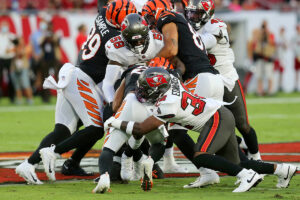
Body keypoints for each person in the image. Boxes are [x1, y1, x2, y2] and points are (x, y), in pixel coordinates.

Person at [105, 67, 298, 193]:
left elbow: (140, 128)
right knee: (239, 162)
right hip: (218, 114)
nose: (143, 92)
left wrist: (115, 122)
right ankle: (282, 169)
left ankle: (246, 176)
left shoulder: (167, 104)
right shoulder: (171, 82)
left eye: (147, 89)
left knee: (200, 155)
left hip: (216, 118)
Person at [15, 0, 137, 184]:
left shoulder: (103, 14)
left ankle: (29, 164)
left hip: (74, 73)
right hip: (83, 80)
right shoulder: (114, 39)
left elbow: (105, 5)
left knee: (63, 130)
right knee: (96, 128)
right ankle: (53, 153)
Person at [141, 0, 224, 188]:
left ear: (158, 11)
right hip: (212, 77)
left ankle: (208, 172)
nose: (150, 22)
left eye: (149, 16)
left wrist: (149, 64)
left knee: (177, 131)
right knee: (216, 128)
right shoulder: (181, 21)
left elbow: (171, 49)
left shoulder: (166, 17)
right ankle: (248, 169)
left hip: (199, 79)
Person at [184, 0, 263, 187]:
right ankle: (240, 157)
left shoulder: (216, 25)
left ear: (208, 13)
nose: (193, 17)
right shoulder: (190, 27)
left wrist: (183, 37)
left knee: (242, 124)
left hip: (227, 80)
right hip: (208, 82)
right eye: (191, 13)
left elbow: (203, 44)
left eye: (197, 13)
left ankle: (257, 158)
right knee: (213, 125)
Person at [10, 38, 34, 105]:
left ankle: (30, 99)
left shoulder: (26, 48)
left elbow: (22, 53)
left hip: (23, 68)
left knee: (26, 84)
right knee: (17, 85)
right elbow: (7, 52)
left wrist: (17, 48)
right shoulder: (14, 48)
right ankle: (19, 100)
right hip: (14, 68)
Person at [255, 20, 276, 96]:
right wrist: (261, 33)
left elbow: (272, 43)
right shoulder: (259, 34)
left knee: (269, 74)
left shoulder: (270, 34)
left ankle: (270, 91)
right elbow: (256, 42)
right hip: (260, 57)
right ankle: (260, 91)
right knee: (259, 75)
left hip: (268, 57)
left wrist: (267, 34)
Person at [0, 20, 17, 102]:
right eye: (2, 25)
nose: (4, 27)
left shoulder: (12, 36)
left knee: (11, 78)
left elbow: (17, 46)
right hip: (1, 59)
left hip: (10, 59)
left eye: (5, 25)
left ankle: (12, 97)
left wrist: (10, 51)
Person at [293, 24, 300, 92]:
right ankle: (296, 86)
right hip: (297, 56)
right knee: (296, 72)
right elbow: (292, 46)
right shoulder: (294, 37)